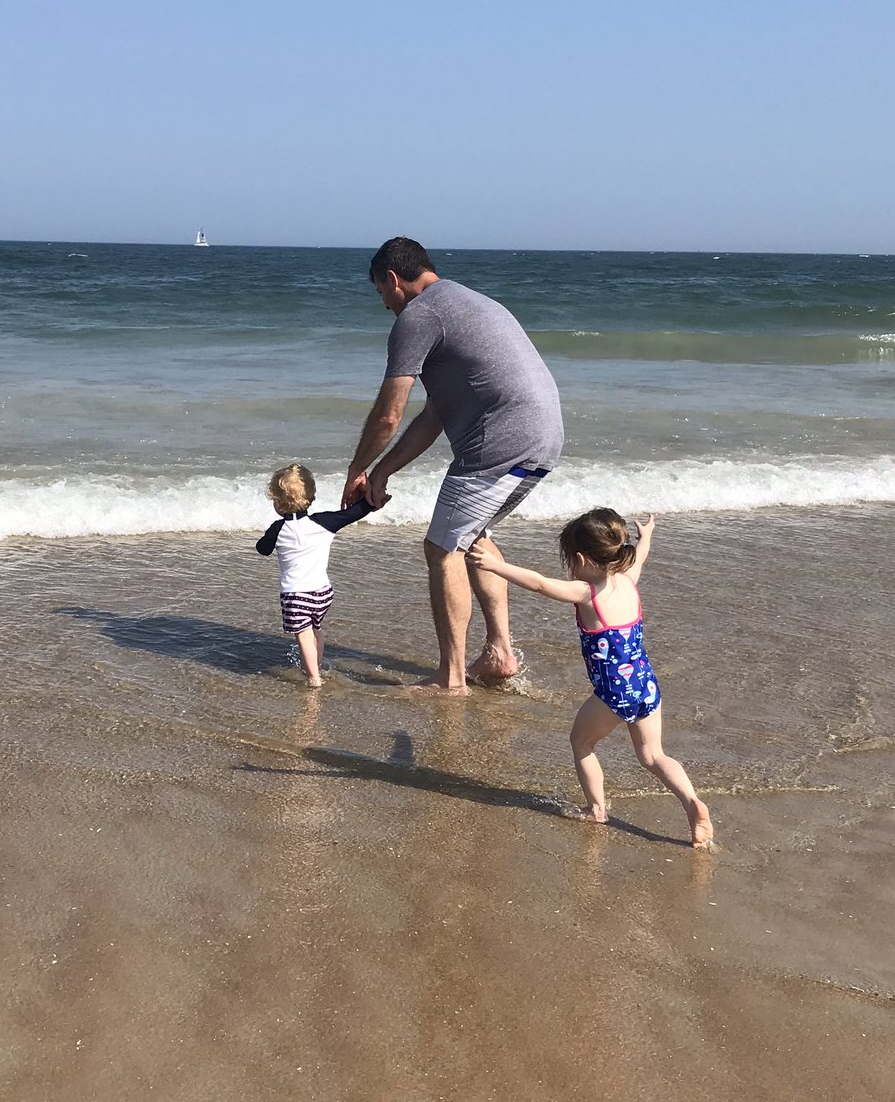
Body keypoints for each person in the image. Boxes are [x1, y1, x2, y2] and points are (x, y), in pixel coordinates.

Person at [342, 237, 563, 695]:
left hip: (501, 441)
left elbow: (389, 416)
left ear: (392, 279)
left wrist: (355, 469)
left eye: (380, 293)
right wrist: (381, 473)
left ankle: (452, 677)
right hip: (543, 436)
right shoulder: (469, 302)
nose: (384, 305)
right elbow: (434, 417)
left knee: (443, 549)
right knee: (471, 536)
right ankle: (500, 653)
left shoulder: (418, 316)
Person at [467, 509, 714, 847]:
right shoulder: (628, 581)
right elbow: (639, 557)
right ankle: (692, 804)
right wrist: (647, 537)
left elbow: (540, 584)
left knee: (582, 742)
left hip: (613, 693)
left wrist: (496, 567)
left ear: (582, 558)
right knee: (653, 756)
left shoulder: (588, 593)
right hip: (646, 684)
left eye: (570, 560)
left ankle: (596, 809)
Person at [257, 463, 374, 687]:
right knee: (315, 631)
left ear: (276, 501)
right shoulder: (325, 522)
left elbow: (262, 549)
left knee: (303, 636)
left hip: (296, 595)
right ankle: (315, 667)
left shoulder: (278, 529)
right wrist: (372, 497)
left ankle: (314, 678)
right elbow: (354, 513)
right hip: (323, 593)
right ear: (311, 496)